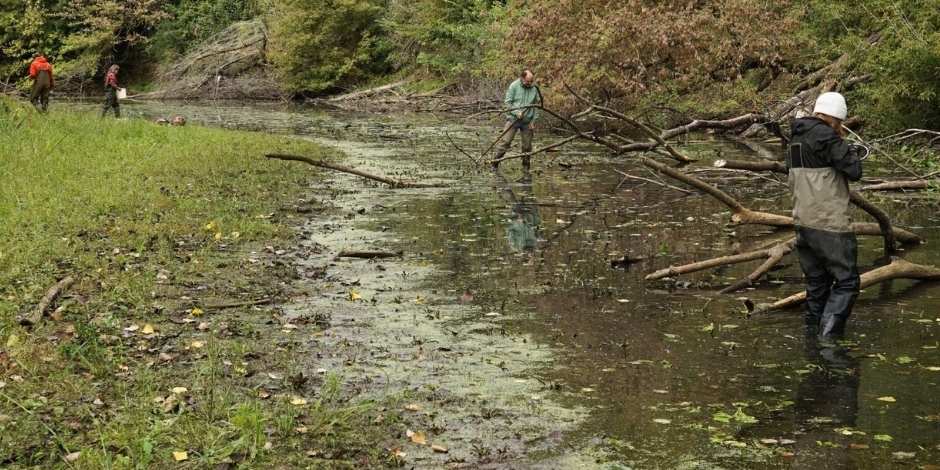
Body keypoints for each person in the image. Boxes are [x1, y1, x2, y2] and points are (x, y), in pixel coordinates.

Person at [786, 92, 863, 338]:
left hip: (803, 223)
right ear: (836, 118)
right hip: (830, 224)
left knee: (818, 282)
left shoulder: (795, 139)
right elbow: (854, 171)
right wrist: (851, 152)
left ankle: (813, 340)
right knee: (848, 282)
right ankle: (829, 342)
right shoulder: (829, 137)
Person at [491, 69, 541, 170]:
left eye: (531, 81)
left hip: (527, 121)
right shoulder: (514, 86)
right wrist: (516, 112)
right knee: (505, 142)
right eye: (528, 81)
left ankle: (526, 168)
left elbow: (536, 106)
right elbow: (508, 103)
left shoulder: (535, 88)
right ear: (522, 78)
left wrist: (534, 121)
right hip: (513, 120)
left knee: (527, 147)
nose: (530, 83)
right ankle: (494, 164)